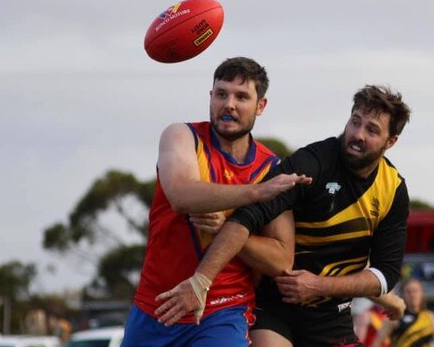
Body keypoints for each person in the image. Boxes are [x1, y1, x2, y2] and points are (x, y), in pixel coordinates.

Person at [157, 84, 412, 346]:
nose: (357, 134)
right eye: (354, 122)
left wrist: (320, 286)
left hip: (331, 317)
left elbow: (386, 273)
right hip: (274, 307)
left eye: (371, 130)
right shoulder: (311, 162)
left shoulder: (392, 190)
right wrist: (201, 281)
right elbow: (248, 216)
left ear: (390, 141)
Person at [121, 57, 311, 347]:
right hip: (156, 308)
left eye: (242, 96)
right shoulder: (182, 136)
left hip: (223, 310)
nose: (229, 104)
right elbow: (181, 195)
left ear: (261, 106)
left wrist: (229, 229)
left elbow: (281, 260)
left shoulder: (271, 169)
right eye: (221, 94)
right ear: (210, 97)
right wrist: (255, 193)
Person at [371, 279, 434, 347]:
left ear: (422, 293)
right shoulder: (395, 316)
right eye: (408, 292)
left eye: (415, 291)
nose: (412, 295)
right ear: (403, 295)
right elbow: (377, 343)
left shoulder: (429, 316)